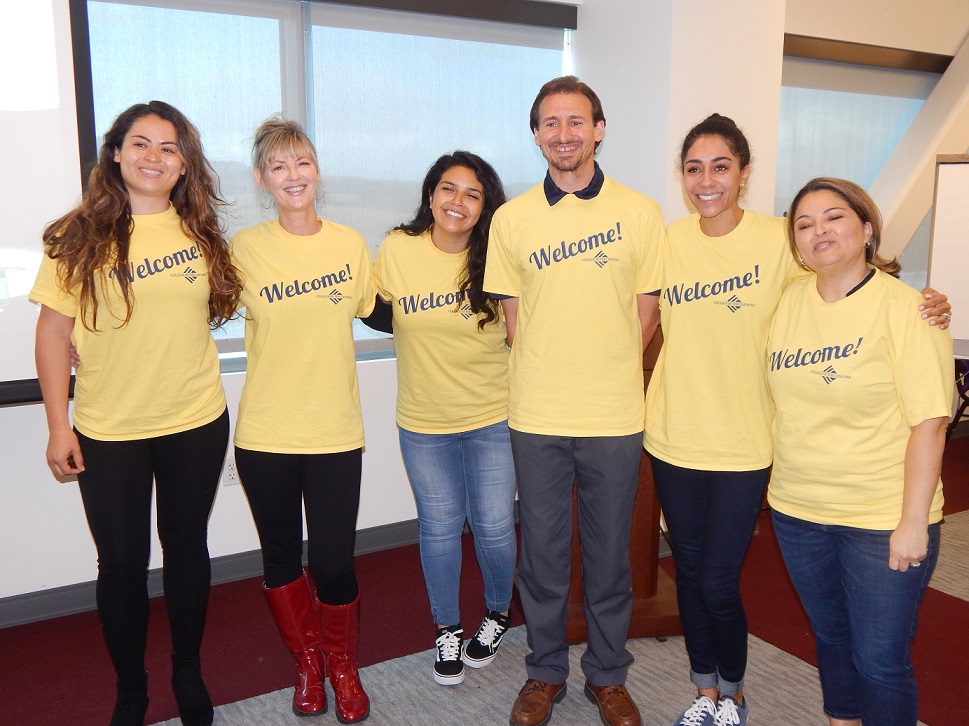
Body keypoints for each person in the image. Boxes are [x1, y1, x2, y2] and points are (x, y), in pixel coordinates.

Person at [643, 115, 952, 726]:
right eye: (694, 168)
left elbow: (850, 286)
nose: (707, 180)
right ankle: (705, 693)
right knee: (700, 579)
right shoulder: (672, 241)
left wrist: (928, 301)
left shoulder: (779, 246)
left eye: (721, 166)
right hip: (690, 444)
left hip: (756, 449)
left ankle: (731, 694)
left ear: (745, 173)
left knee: (727, 585)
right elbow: (628, 311)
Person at [31, 101, 242, 726]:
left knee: (186, 549)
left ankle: (187, 670)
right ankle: (131, 688)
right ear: (116, 153)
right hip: (108, 428)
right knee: (120, 564)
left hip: (195, 419)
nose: (155, 157)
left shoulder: (200, 232)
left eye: (169, 148)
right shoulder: (76, 235)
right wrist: (56, 425)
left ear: (184, 165)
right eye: (141, 144)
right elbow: (51, 334)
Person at [484, 76, 664, 726]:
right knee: (543, 556)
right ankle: (544, 674)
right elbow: (513, 318)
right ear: (536, 135)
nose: (563, 134)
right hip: (535, 414)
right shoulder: (511, 219)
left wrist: (601, 365)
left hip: (613, 414)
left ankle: (607, 678)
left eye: (575, 122)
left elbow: (645, 314)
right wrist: (552, 367)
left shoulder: (639, 213)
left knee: (608, 552)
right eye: (550, 124)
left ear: (598, 129)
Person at [767, 177, 952, 726]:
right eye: (804, 224)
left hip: (881, 516)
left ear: (867, 228)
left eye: (834, 217)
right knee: (830, 638)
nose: (818, 231)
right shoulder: (787, 303)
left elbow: (931, 422)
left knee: (880, 661)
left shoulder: (908, 310)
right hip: (798, 511)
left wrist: (913, 520)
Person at [229, 118, 374, 723]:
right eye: (280, 166)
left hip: (335, 429)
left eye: (303, 162)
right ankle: (307, 661)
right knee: (282, 557)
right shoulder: (243, 250)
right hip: (266, 432)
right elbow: (186, 314)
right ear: (263, 180)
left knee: (335, 561)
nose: (294, 175)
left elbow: (386, 312)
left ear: (317, 171)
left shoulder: (349, 245)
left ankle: (343, 663)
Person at [369, 151, 517, 686]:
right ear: (430, 196)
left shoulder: (497, 256)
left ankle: (499, 611)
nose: (459, 201)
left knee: (495, 526)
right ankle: (447, 627)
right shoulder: (397, 248)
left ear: (485, 207)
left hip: (492, 416)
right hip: (424, 421)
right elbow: (376, 309)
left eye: (473, 194)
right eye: (448, 189)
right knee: (438, 529)